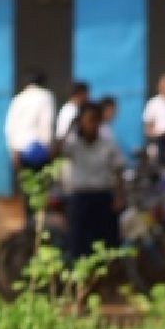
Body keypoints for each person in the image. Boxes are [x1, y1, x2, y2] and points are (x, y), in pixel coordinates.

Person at [56, 100, 126, 261]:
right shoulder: (73, 145)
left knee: (106, 245)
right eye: (88, 120)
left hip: (103, 197)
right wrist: (68, 129)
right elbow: (55, 152)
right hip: (80, 199)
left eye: (96, 120)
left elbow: (118, 172)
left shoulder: (108, 145)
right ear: (81, 121)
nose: (92, 125)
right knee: (79, 245)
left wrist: (119, 196)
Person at [4, 69, 56, 173]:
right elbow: (46, 123)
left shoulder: (18, 98)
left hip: (19, 149)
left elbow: (9, 127)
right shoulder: (45, 96)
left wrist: (13, 151)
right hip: (38, 148)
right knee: (40, 183)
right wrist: (48, 147)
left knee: (27, 182)